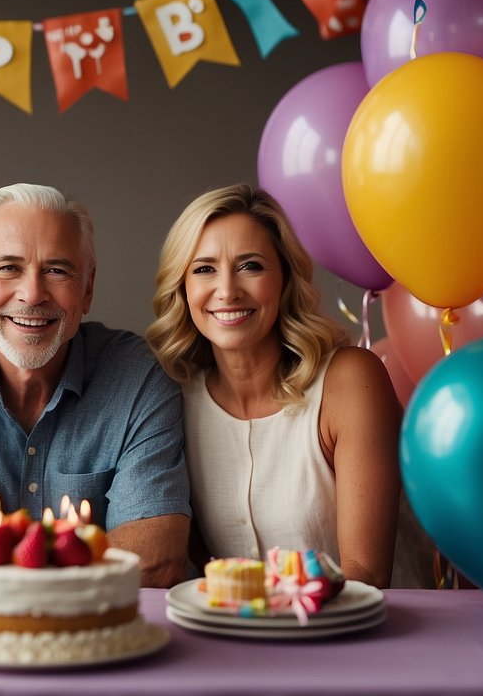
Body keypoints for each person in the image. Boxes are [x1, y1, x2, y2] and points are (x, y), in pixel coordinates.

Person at [0, 182, 191, 587]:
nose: (32, 294)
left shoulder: (139, 376)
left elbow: (157, 557)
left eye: (57, 270)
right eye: (8, 268)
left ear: (88, 289)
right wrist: (64, 556)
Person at [146, 183, 429, 589]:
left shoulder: (349, 380)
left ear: (284, 280)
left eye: (251, 266)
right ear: (183, 287)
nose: (227, 291)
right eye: (204, 269)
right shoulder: (173, 399)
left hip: (374, 640)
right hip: (248, 639)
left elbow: (366, 578)